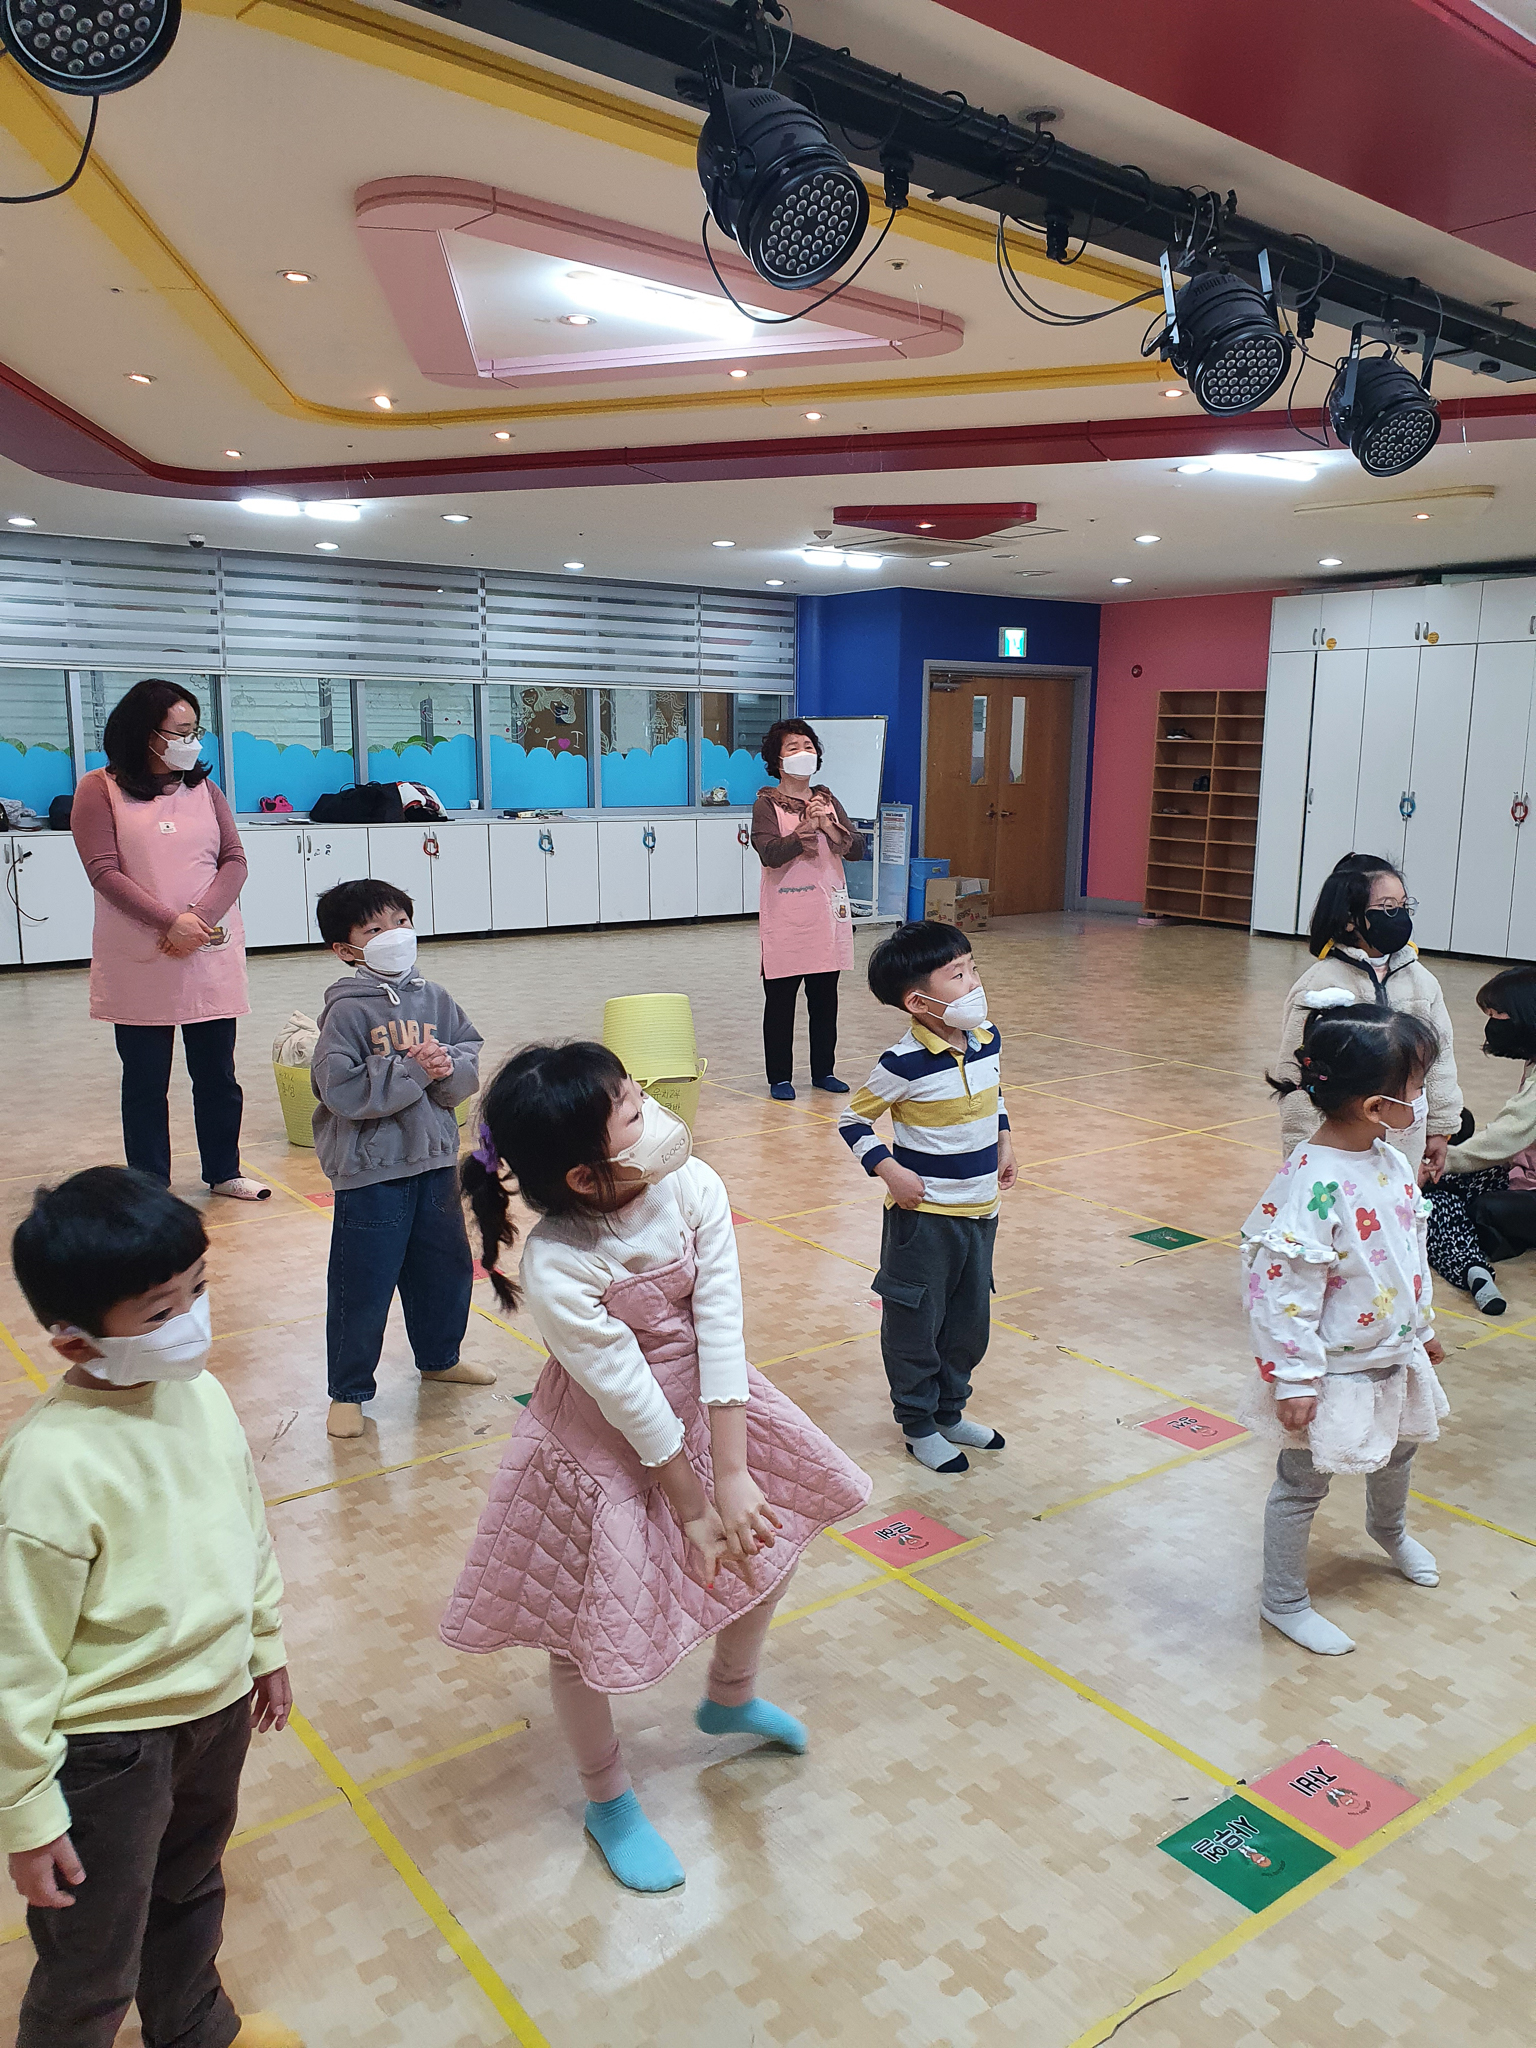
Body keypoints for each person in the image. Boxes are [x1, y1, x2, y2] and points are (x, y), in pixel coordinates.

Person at [443, 1042, 870, 1893]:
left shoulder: (693, 1185)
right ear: (584, 1176)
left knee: (768, 1541)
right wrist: (691, 1503)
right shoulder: (559, 1263)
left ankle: (730, 1695)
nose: (658, 1118)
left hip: (713, 1403)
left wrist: (733, 1473)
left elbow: (721, 1327)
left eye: (639, 1096)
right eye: (634, 1114)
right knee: (585, 1633)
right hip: (605, 1440)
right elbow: (627, 1397)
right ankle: (607, 1799)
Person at [2, 1166, 300, 2048]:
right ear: (73, 1343)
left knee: (191, 1889)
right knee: (94, 1951)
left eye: (198, 1291)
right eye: (161, 1311)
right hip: (110, 1748)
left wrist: (265, 1642)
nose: (193, 1321)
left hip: (216, 1709)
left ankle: (195, 2027)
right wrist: (28, 1811)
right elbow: (16, 1658)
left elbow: (244, 1523)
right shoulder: (50, 1470)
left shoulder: (200, 1394)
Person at [1243, 999, 1450, 1656]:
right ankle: (1283, 1599)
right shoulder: (1314, 1185)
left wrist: (1422, 1327)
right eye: (1417, 1086)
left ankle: (1388, 1530)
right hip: (1332, 1371)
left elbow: (1407, 1252)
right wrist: (1293, 1378)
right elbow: (1280, 1295)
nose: (1423, 1098)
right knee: (1302, 1483)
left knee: (1400, 1450)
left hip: (1393, 1351)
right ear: (1376, 1106)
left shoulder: (1389, 1161)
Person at [71, 678, 270, 1202]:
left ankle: (224, 1171)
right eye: (180, 731)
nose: (191, 741)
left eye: (195, 730)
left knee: (217, 1074)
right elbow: (103, 871)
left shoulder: (206, 789)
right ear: (145, 734)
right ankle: (149, 1182)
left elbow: (234, 860)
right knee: (144, 1079)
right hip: (141, 954)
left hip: (208, 948)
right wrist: (169, 923)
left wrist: (197, 920)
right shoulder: (98, 789)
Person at [311, 879, 489, 1441]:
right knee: (362, 1285)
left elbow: (467, 1054)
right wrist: (412, 1069)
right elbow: (338, 1088)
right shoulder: (346, 1012)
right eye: (375, 929)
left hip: (433, 1161)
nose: (394, 935)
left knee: (444, 1270)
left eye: (401, 922)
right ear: (346, 949)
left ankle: (439, 1357)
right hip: (372, 1173)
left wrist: (447, 1068)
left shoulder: (435, 997)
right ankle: (348, 1391)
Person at [837, 921, 1015, 1474]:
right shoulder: (903, 1063)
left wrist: (1005, 1141)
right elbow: (852, 1121)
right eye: (958, 975)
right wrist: (890, 1171)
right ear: (918, 1002)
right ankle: (918, 1424)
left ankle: (949, 1411)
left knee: (968, 1323)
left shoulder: (987, 1039)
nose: (974, 983)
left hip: (980, 1212)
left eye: (972, 968)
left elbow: (995, 1094)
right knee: (916, 1324)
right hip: (924, 1222)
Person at [1273, 852, 1461, 1184]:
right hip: (1338, 1150)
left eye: (1403, 906)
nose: (1398, 916)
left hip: (1404, 1143)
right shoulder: (1319, 985)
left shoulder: (1423, 982)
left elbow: (1440, 1060)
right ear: (1349, 919)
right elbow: (1298, 1076)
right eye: (1387, 908)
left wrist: (1440, 1129)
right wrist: (1301, 1150)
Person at [750, 717, 866, 1101]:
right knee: (780, 1003)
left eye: (808, 747)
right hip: (786, 917)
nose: (803, 753)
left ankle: (824, 1071)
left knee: (825, 1001)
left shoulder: (828, 800)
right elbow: (769, 853)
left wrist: (828, 825)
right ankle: (780, 1077)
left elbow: (857, 848)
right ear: (778, 759)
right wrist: (803, 830)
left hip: (825, 915)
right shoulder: (766, 804)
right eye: (793, 747)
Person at [1424, 962, 1536, 1316]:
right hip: (1521, 1174)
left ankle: (1474, 1257)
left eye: (1497, 1014)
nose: (1492, 1024)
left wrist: (1444, 1161)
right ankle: (1474, 1268)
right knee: (1435, 1193)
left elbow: (1507, 1136)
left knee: (1463, 1203)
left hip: (1528, 1187)